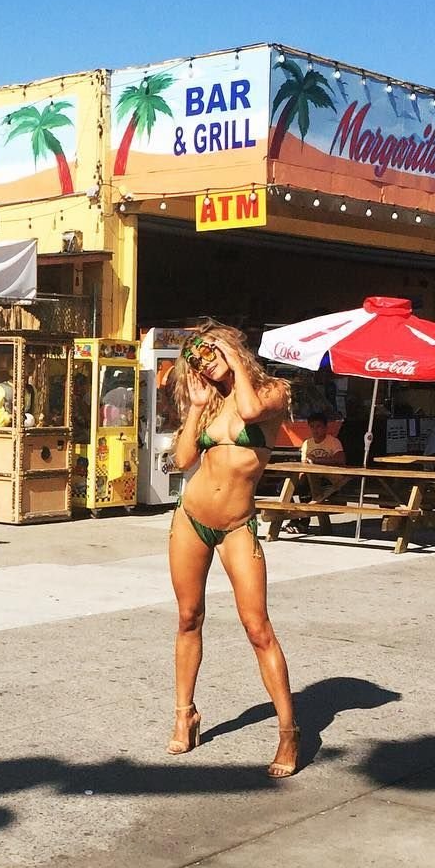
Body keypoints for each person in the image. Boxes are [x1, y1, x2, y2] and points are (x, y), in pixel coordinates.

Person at [167, 322, 300, 779]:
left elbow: (250, 408)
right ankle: (184, 714)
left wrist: (234, 360)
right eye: (197, 359)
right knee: (188, 618)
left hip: (237, 527)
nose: (204, 364)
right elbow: (183, 460)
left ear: (231, 346)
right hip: (191, 519)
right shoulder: (209, 402)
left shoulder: (274, 391)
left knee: (257, 626)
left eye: (210, 352)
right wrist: (195, 408)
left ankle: (288, 731)